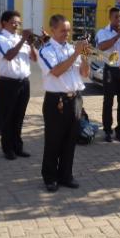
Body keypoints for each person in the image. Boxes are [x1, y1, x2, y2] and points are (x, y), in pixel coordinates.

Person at [37, 15, 89, 192]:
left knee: (70, 141)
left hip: (75, 98)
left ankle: (66, 176)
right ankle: (50, 178)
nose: (66, 34)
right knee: (53, 141)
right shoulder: (46, 50)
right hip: (56, 101)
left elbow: (84, 73)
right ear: (52, 30)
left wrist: (85, 57)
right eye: (62, 31)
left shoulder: (71, 48)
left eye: (68, 30)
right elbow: (57, 71)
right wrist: (76, 53)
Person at [0, 10, 37, 160]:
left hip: (24, 82)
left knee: (19, 117)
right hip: (7, 84)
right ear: (4, 23)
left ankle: (18, 147)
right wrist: (23, 40)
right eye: (13, 22)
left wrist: (32, 44)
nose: (17, 25)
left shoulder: (20, 39)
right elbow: (9, 56)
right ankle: (7, 149)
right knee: (7, 118)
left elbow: (34, 59)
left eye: (19, 22)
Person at [95, 7, 120, 142]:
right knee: (108, 101)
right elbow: (101, 47)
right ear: (110, 18)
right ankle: (107, 131)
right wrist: (117, 36)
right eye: (116, 17)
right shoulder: (103, 32)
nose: (119, 20)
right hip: (110, 69)